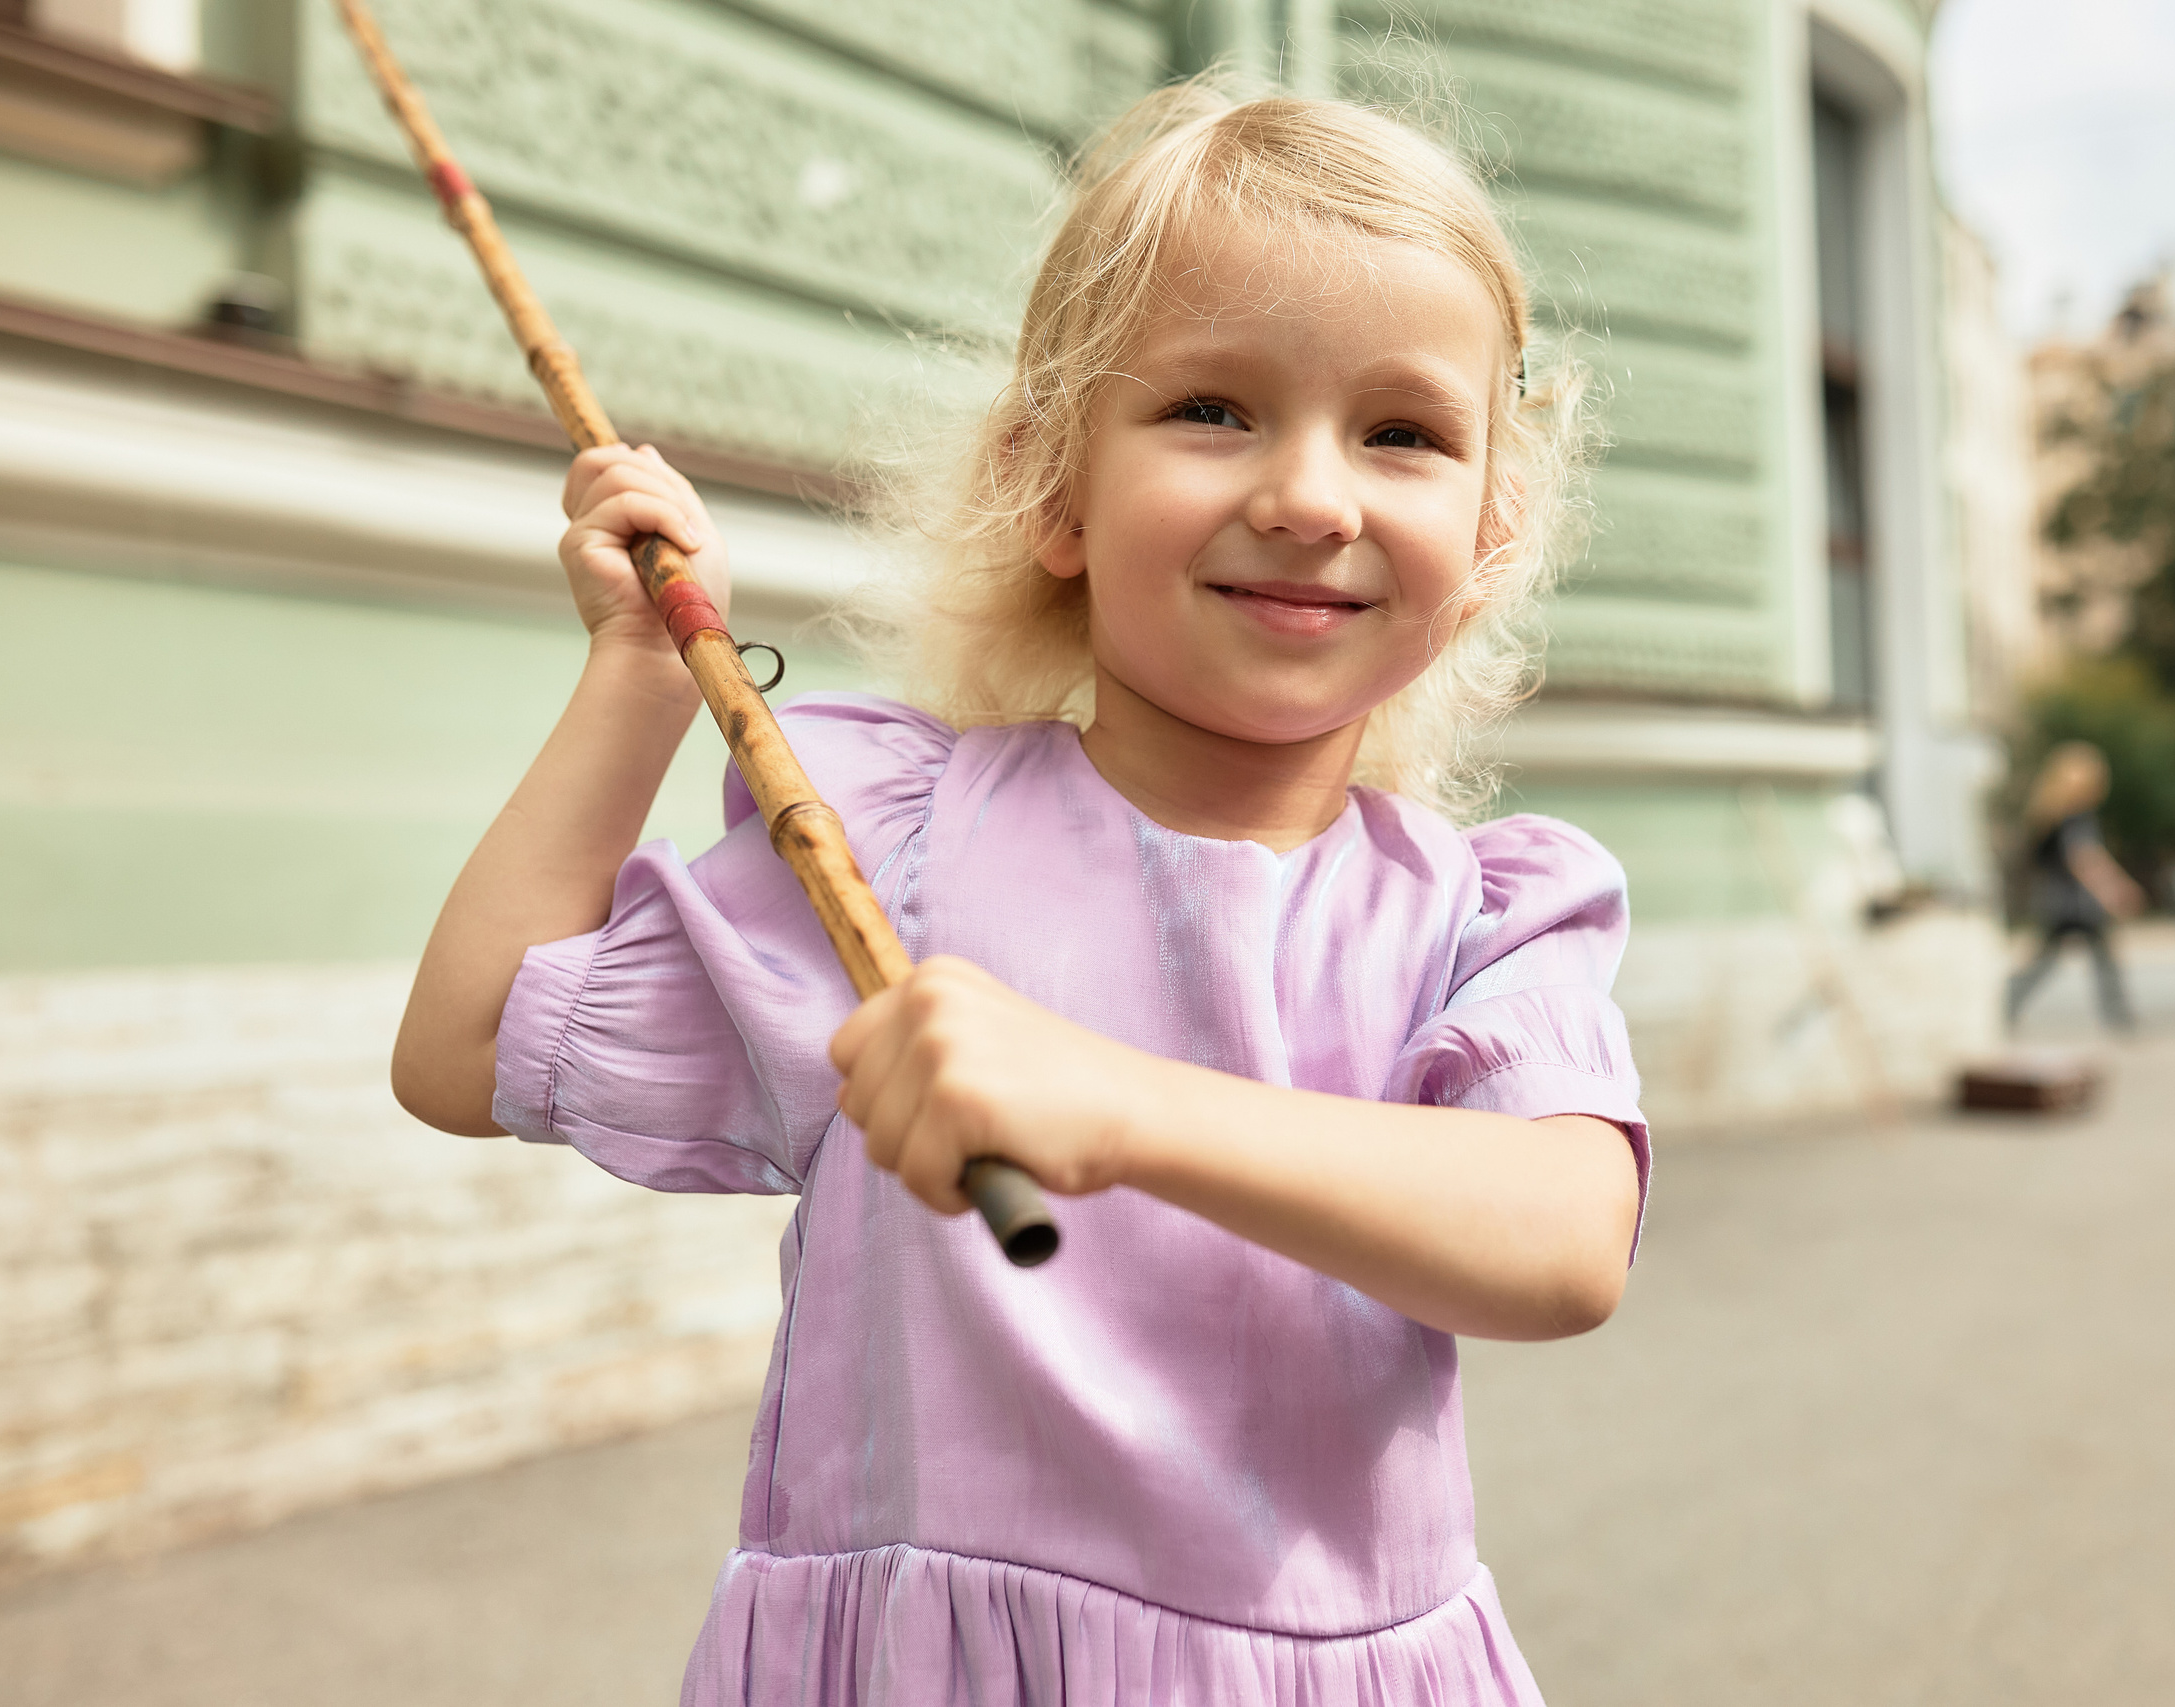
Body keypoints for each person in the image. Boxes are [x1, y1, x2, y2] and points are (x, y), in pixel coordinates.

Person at [390, 82, 1646, 1706]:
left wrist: (1117, 1105)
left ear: (1489, 532)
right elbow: (468, 1047)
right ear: (1052, 485)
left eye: (1400, 431)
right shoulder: (890, 849)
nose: (1313, 496)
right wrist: (636, 670)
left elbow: (1564, 1240)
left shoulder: (1487, 914)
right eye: (1212, 409)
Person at [2005, 740, 2145, 1033]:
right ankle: (2119, 1018)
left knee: (2053, 962)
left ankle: (2006, 1004)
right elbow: (2084, 859)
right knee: (2094, 963)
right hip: (2077, 903)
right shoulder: (2075, 817)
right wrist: (2114, 890)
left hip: (2056, 900)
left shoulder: (2047, 817)